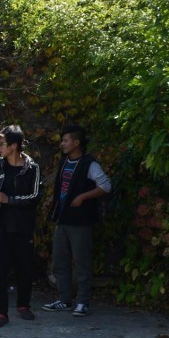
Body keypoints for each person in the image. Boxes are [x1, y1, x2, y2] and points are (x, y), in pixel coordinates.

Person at [42, 124, 112, 317]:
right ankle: (64, 299)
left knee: (81, 262)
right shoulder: (64, 162)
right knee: (59, 261)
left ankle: (83, 302)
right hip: (62, 219)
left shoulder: (90, 164)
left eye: (66, 140)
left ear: (77, 142)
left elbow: (106, 185)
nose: (62, 144)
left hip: (80, 221)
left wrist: (83, 197)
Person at [0, 125, 42, 328]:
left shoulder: (32, 168)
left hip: (22, 226)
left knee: (24, 268)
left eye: (2, 143)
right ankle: (0, 313)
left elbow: (35, 196)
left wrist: (9, 200)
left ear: (14, 145)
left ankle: (23, 305)